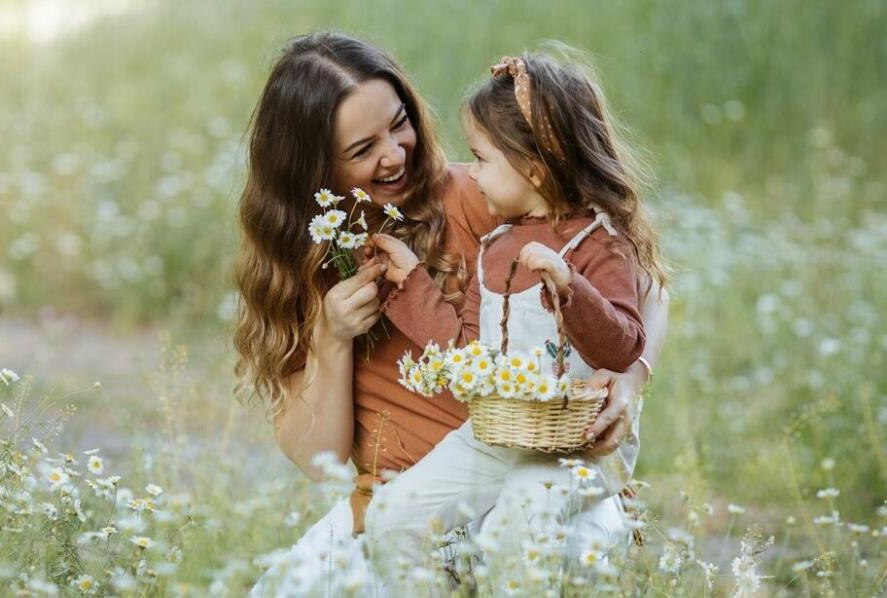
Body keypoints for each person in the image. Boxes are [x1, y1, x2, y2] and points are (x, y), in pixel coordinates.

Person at [233, 33, 668, 594]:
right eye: (362, 150)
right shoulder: (305, 264)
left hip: (536, 480)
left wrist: (630, 379)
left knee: (529, 552)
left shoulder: (483, 195)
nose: (394, 153)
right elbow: (320, 464)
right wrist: (331, 339)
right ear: (311, 170)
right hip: (406, 511)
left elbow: (645, 283)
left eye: (399, 123)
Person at [365, 50, 666, 586]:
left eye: (481, 159)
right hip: (498, 434)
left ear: (534, 166)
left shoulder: (600, 245)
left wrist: (571, 288)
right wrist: (411, 280)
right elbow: (468, 351)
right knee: (392, 517)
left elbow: (622, 346)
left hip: (577, 447)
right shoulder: (497, 244)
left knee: (514, 527)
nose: (471, 174)